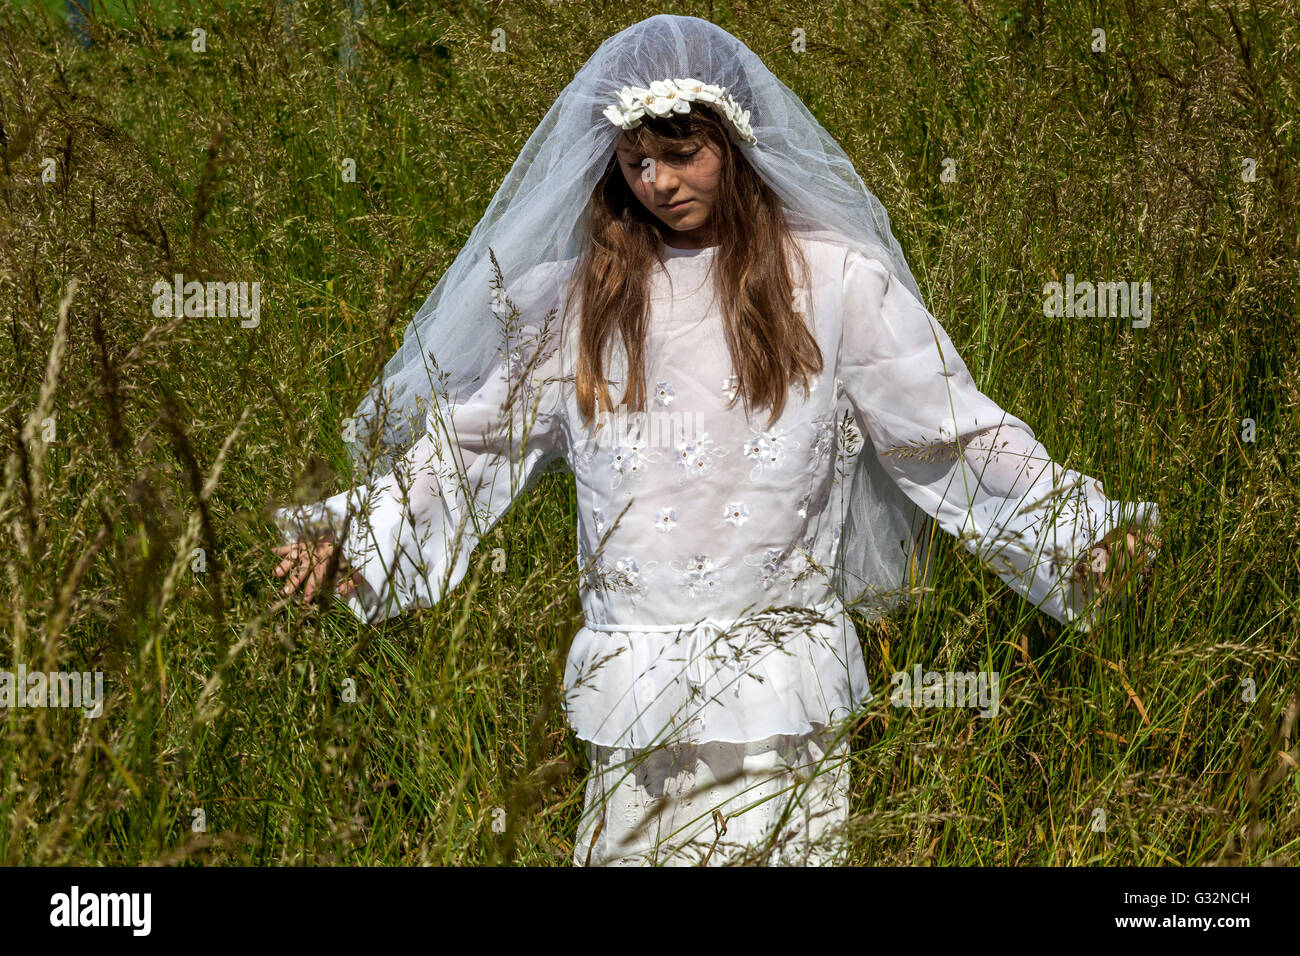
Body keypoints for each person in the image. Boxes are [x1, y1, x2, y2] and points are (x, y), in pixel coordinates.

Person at [271, 14, 1160, 866]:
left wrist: (1073, 528)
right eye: (635, 159)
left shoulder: (832, 282)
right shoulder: (574, 303)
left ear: (736, 143)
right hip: (636, 687)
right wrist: (360, 533)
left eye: (682, 153)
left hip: (779, 683)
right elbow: (472, 444)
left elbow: (948, 431)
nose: (657, 182)